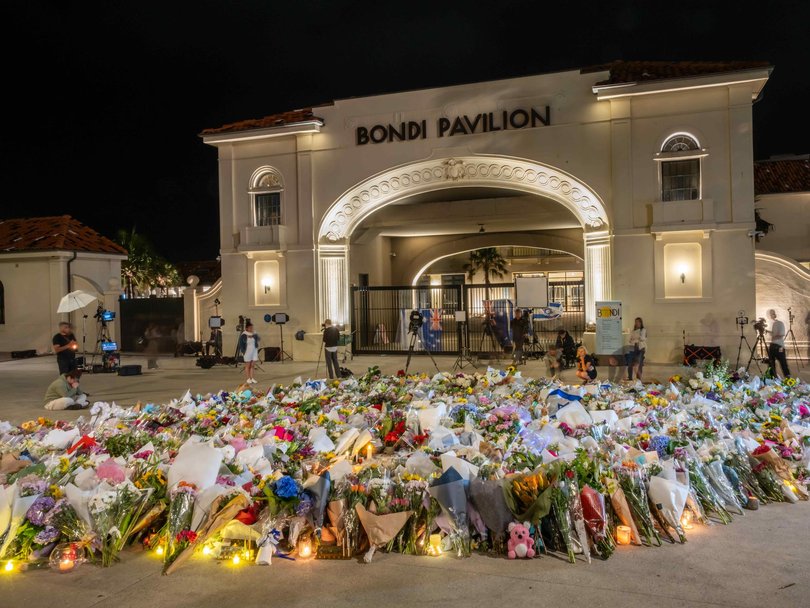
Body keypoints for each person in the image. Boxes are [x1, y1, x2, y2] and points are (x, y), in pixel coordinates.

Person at [766, 309, 791, 378]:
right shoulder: (773, 324)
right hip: (772, 345)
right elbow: (774, 334)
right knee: (771, 364)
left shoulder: (780, 323)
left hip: (779, 346)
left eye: (772, 313)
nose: (771, 315)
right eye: (770, 314)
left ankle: (788, 379)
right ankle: (772, 379)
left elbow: (781, 334)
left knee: (783, 364)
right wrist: (767, 331)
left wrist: (774, 337)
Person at [625, 317, 647, 381]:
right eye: (636, 322)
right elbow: (629, 340)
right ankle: (630, 378)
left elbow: (642, 338)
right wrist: (636, 339)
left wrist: (634, 339)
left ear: (641, 323)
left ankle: (638, 380)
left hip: (640, 348)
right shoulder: (633, 331)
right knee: (630, 363)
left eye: (638, 322)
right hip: (632, 348)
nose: (637, 323)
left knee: (639, 364)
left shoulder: (643, 330)